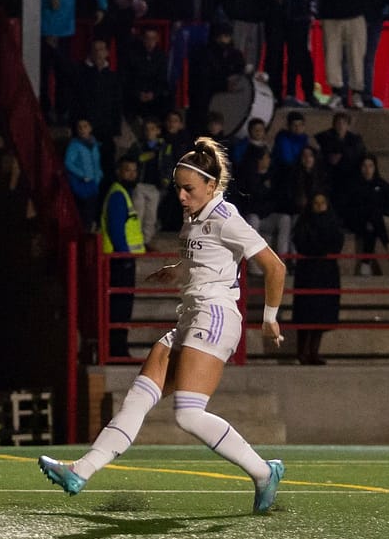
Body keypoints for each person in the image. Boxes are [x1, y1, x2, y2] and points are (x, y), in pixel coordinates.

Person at [39, 138, 287, 514]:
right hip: (191, 315)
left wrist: (269, 319)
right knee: (138, 396)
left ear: (210, 185)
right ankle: (80, 471)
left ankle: (263, 472)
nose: (182, 197)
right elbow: (206, 259)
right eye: (178, 188)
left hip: (215, 316)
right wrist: (176, 270)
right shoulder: (193, 218)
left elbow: (275, 267)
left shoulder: (225, 217)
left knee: (188, 413)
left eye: (189, 189)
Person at [41, 0, 108, 124]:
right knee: (41, 77)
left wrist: (101, 8)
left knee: (63, 76)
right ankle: (43, 113)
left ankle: (62, 112)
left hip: (63, 34)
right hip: (41, 33)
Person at [100, 156, 146, 358]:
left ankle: (118, 347)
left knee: (122, 306)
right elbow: (116, 229)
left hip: (121, 259)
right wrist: (125, 256)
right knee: (120, 306)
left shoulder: (123, 194)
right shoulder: (119, 195)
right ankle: (117, 349)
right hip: (119, 261)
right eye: (127, 170)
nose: (131, 174)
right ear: (119, 172)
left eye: (134, 171)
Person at [292, 193, 345, 365]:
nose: (320, 206)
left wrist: (320, 248)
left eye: (323, 203)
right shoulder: (304, 222)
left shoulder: (333, 222)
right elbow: (302, 243)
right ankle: (302, 352)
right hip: (308, 273)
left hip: (327, 274)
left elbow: (337, 244)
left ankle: (314, 352)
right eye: (316, 203)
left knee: (322, 314)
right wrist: (319, 249)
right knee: (306, 313)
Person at [71, 38, 123, 186]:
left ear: (107, 52)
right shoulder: (81, 74)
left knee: (107, 167)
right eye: (95, 49)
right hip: (87, 129)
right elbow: (76, 101)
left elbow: (116, 105)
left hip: (106, 129)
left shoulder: (112, 76)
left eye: (102, 49)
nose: (99, 53)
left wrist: (116, 130)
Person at [235, 145, 293, 272]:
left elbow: (276, 199)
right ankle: (254, 266)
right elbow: (249, 202)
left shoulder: (274, 176)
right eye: (266, 157)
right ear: (258, 159)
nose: (268, 160)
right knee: (253, 219)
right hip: (253, 218)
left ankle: (281, 262)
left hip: (268, 216)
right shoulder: (247, 177)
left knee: (285, 219)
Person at [344, 153, 389, 275]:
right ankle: (388, 246)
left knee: (372, 225)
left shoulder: (381, 183)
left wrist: (386, 211)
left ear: (375, 167)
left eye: (370, 166)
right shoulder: (353, 184)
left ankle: (365, 264)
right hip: (355, 220)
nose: (367, 169)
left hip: (372, 222)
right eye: (364, 166)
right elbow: (348, 206)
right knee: (373, 215)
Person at [128, 117, 173, 248]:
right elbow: (132, 160)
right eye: (146, 129)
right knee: (138, 213)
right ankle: (136, 240)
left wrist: (166, 180)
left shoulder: (164, 147)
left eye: (152, 129)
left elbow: (168, 164)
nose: (149, 132)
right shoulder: (138, 146)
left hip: (155, 186)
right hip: (140, 185)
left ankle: (146, 241)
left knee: (151, 216)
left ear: (158, 131)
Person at [122, 27, 171, 128]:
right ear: (143, 39)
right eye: (147, 38)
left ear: (157, 39)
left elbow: (163, 80)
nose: (150, 42)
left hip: (155, 98)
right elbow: (127, 78)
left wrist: (153, 93)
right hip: (135, 96)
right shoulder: (132, 55)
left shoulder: (161, 56)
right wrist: (138, 93)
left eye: (153, 38)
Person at [313, 111, 365, 204]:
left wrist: (343, 154)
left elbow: (360, 155)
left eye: (344, 123)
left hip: (349, 176)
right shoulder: (326, 137)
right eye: (338, 123)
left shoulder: (355, 140)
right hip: (331, 178)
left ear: (348, 125)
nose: (341, 126)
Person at [64, 118, 104, 231]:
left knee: (92, 209)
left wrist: (99, 174)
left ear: (90, 128)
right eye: (79, 127)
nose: (82, 129)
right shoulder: (74, 145)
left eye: (85, 126)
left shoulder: (94, 143)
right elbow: (68, 162)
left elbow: (96, 161)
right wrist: (82, 175)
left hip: (94, 182)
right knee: (85, 211)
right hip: (83, 184)